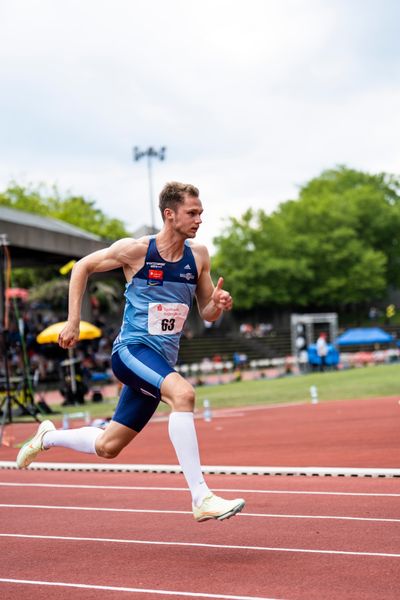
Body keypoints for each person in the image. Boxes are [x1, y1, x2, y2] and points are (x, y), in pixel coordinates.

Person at [17, 181, 245, 523]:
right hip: (132, 351)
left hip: (161, 362)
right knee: (183, 394)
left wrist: (217, 304)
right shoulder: (137, 250)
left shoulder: (198, 256)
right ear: (169, 215)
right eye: (192, 213)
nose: (200, 219)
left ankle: (48, 436)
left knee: (109, 446)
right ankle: (201, 497)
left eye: (201, 213)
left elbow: (207, 312)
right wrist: (73, 321)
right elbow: (82, 267)